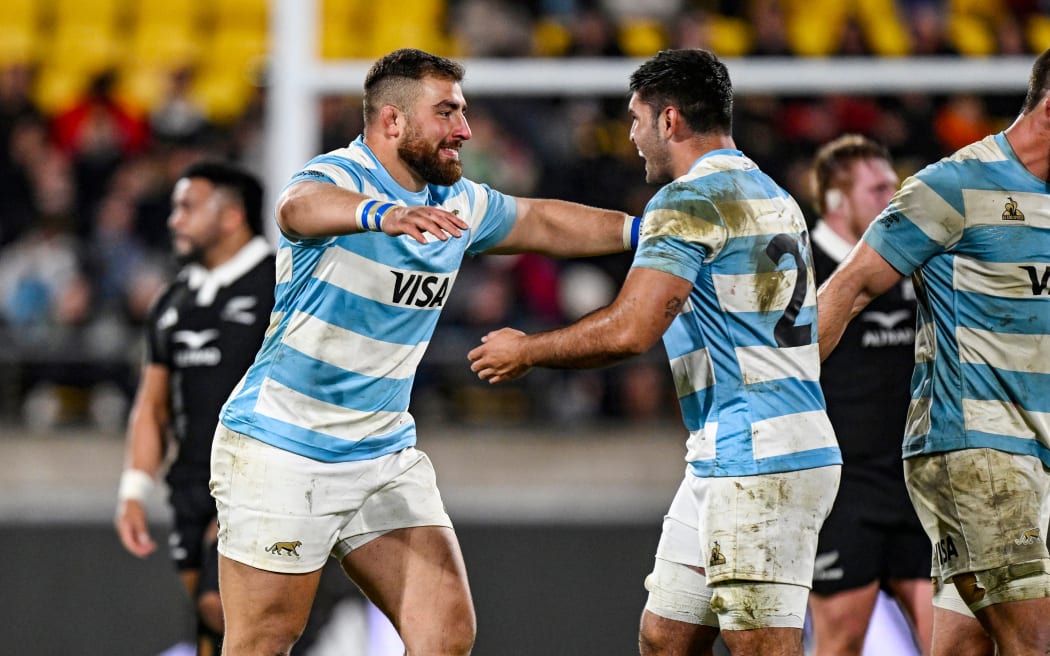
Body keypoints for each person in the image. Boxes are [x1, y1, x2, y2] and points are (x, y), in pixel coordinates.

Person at [211, 48, 638, 656]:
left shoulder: (457, 201)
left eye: (462, 113)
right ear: (392, 121)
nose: (464, 129)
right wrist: (380, 215)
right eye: (447, 113)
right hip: (284, 447)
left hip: (381, 452)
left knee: (445, 634)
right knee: (261, 643)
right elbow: (295, 209)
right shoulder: (339, 178)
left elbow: (540, 221)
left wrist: (640, 232)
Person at [468, 48, 842, 656]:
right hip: (738, 446)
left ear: (669, 121)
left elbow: (630, 330)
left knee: (763, 647)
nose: (632, 136)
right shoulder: (768, 193)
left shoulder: (687, 201)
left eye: (636, 119)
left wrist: (529, 350)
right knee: (666, 638)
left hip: (758, 456)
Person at [815, 49, 1050, 656]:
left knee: (960, 645)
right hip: (977, 446)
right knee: (1035, 639)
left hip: (1037, 454)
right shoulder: (951, 186)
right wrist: (770, 402)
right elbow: (850, 287)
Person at [114, 160, 274, 656]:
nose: (174, 220)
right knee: (213, 625)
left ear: (230, 216)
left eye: (187, 207)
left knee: (220, 604)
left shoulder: (283, 286)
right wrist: (135, 487)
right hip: (190, 483)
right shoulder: (172, 300)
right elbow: (153, 402)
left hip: (259, 482)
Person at [805, 134, 933, 656]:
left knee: (955, 641)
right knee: (840, 644)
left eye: (893, 186)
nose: (892, 198)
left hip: (916, 481)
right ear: (838, 203)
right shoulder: (798, 265)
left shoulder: (915, 262)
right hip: (842, 490)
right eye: (878, 188)